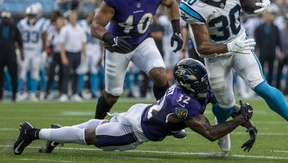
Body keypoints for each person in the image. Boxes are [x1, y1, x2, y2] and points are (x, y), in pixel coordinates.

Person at [13, 58, 257, 156]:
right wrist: (238, 121)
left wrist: (247, 122)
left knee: (92, 127)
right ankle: (33, 132)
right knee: (88, 135)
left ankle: (58, 134)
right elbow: (211, 134)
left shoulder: (190, 91)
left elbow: (228, 106)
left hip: (140, 113)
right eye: (200, 83)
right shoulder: (184, 101)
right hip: (135, 131)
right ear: (188, 84)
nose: (205, 87)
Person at [179, 0, 288, 154]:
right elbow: (202, 47)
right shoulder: (191, 5)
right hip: (215, 56)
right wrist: (229, 47)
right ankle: (222, 127)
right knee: (226, 103)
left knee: (261, 86)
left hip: (240, 41)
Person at [90, 0, 183, 119]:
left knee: (160, 76)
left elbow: (172, 3)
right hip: (118, 45)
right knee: (113, 94)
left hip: (142, 40)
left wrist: (176, 30)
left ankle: (168, 121)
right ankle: (94, 123)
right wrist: (112, 39)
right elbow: (95, 26)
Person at [58, 10, 86, 102]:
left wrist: (84, 54)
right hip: (68, 53)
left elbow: (83, 43)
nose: (73, 19)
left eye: (75, 17)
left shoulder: (80, 29)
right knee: (66, 74)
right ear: (69, 18)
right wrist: (63, 56)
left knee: (76, 74)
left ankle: (75, 93)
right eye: (72, 17)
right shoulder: (65, 29)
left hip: (77, 53)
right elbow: (62, 44)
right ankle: (64, 93)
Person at [0, 10, 24, 102]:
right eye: (4, 18)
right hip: (1, 54)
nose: (6, 19)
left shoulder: (14, 27)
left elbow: (19, 41)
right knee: (0, 77)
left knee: (13, 76)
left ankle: (14, 95)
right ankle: (0, 96)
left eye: (7, 18)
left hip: (11, 55)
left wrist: (22, 54)